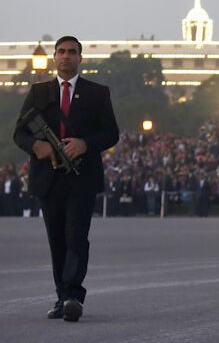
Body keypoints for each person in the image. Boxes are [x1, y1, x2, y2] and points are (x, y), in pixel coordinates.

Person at [13, 36, 119, 322]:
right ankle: (62, 297)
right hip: (48, 177)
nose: (66, 56)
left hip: (81, 177)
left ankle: (73, 295)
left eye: (72, 52)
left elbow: (111, 133)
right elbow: (19, 133)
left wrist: (84, 143)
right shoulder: (39, 93)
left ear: (80, 58)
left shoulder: (97, 93)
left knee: (76, 235)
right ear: (54, 57)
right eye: (61, 52)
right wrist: (39, 147)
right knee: (57, 239)